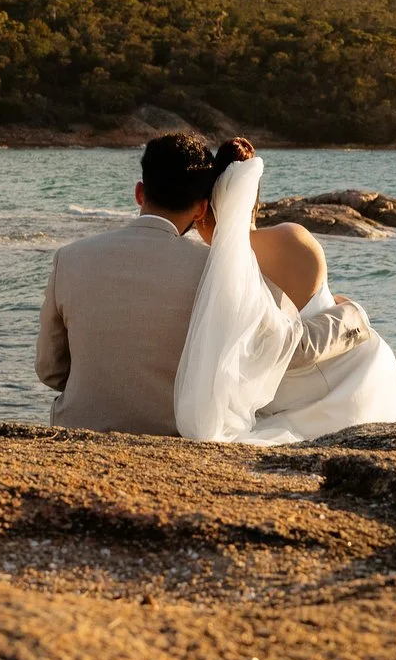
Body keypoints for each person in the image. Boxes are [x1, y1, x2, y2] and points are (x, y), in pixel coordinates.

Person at [35, 132, 373, 435]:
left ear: (140, 193)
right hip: (173, 436)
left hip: (78, 429)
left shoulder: (70, 257)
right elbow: (289, 348)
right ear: (201, 208)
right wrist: (352, 317)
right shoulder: (216, 271)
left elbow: (50, 370)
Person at [174, 138, 396, 443]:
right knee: (383, 364)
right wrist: (352, 312)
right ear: (254, 200)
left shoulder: (210, 268)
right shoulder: (294, 237)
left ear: (204, 210)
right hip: (347, 375)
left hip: (280, 391)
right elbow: (314, 309)